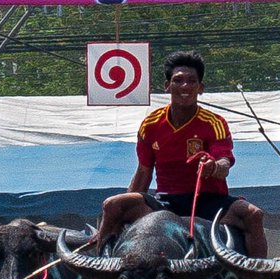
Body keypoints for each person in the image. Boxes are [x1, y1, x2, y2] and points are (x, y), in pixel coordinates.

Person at [95, 51, 267, 263]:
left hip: (208, 201)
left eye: (191, 81)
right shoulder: (150, 125)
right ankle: (101, 275)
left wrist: (215, 166)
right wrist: (125, 208)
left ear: (200, 88)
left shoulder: (214, 122)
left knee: (254, 215)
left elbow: (224, 161)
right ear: (167, 86)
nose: (185, 86)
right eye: (178, 81)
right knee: (112, 205)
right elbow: (143, 171)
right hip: (165, 201)